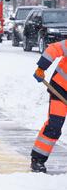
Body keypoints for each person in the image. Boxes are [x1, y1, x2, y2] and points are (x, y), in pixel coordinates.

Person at [32, 40, 67, 173]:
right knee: (54, 125)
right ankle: (38, 160)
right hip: (61, 88)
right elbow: (53, 49)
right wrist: (41, 67)